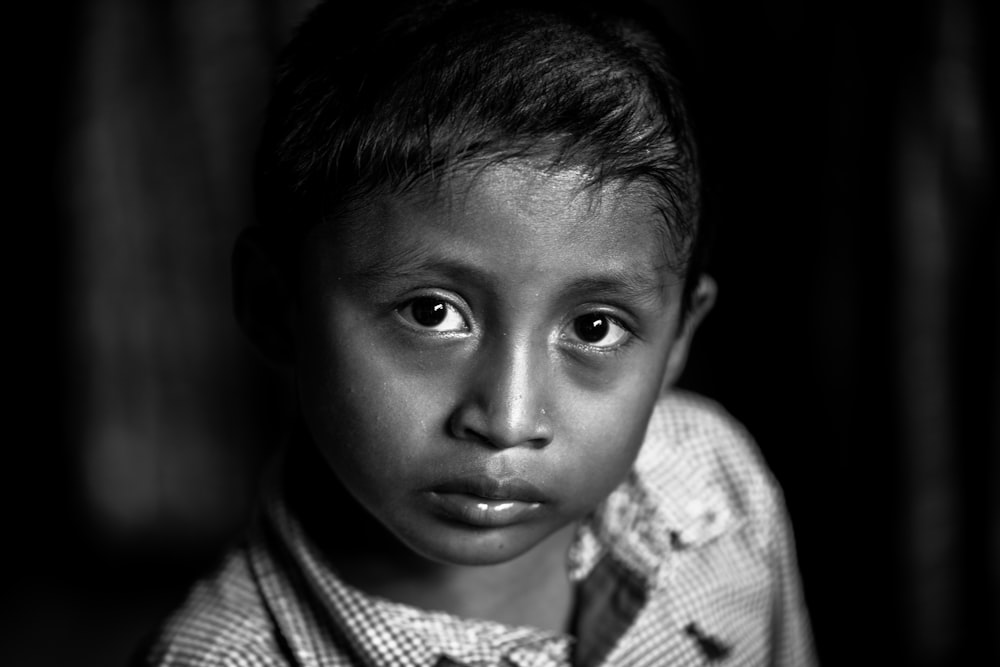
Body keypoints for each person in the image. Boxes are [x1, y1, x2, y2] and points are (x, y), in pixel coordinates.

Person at [139, 0, 816, 664]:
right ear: (275, 306)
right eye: (432, 313)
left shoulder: (709, 477)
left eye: (593, 325)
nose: (508, 418)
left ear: (678, 338)